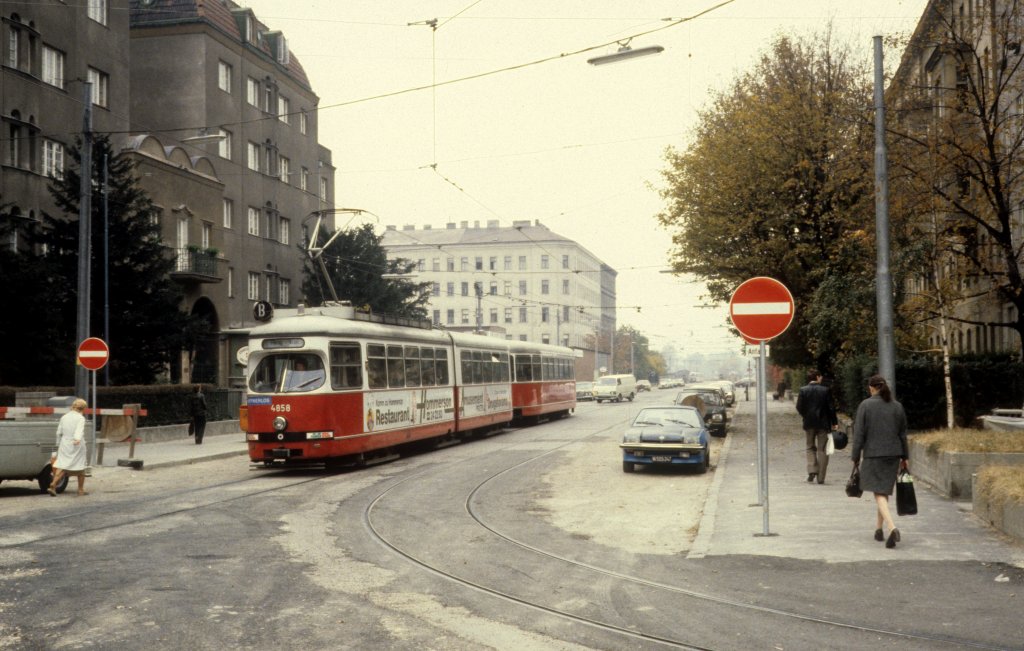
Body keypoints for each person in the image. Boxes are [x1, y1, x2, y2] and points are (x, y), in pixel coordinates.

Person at [851, 375, 909, 549]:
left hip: (873, 454)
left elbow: (859, 433)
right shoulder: (897, 407)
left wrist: (855, 456)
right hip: (893, 454)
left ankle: (892, 528)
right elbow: (903, 434)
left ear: (871, 388)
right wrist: (905, 457)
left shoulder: (865, 405)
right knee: (882, 491)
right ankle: (878, 529)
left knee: (878, 493)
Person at [796, 370, 838, 484]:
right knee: (823, 449)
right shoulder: (825, 390)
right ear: (818, 377)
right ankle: (821, 478)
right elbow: (831, 408)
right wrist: (834, 422)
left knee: (810, 447)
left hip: (809, 423)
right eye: (821, 377)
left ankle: (812, 469)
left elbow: (799, 407)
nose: (822, 379)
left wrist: (806, 415)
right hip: (823, 424)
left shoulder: (803, 390)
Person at [49, 398, 89, 497]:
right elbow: (79, 430)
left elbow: (58, 433)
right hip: (76, 444)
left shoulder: (64, 417)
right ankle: (80, 490)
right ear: (83, 408)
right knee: (81, 467)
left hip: (64, 443)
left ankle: (53, 484)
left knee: (62, 465)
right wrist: (77, 438)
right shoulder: (80, 418)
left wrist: (56, 447)